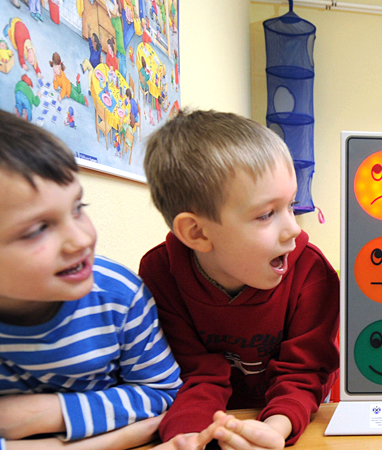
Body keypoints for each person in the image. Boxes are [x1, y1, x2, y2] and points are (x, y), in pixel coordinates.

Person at [139, 109, 340, 450]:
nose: (293, 228)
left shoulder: (311, 270)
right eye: (266, 214)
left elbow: (304, 374)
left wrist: (275, 429)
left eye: (291, 205)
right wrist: (188, 437)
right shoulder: (160, 274)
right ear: (197, 232)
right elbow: (193, 375)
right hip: (214, 420)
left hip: (296, 419)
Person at [0, 109, 182, 449]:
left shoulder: (120, 295)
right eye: (38, 229)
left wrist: (43, 413)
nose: (82, 240)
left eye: (78, 207)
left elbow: (163, 393)